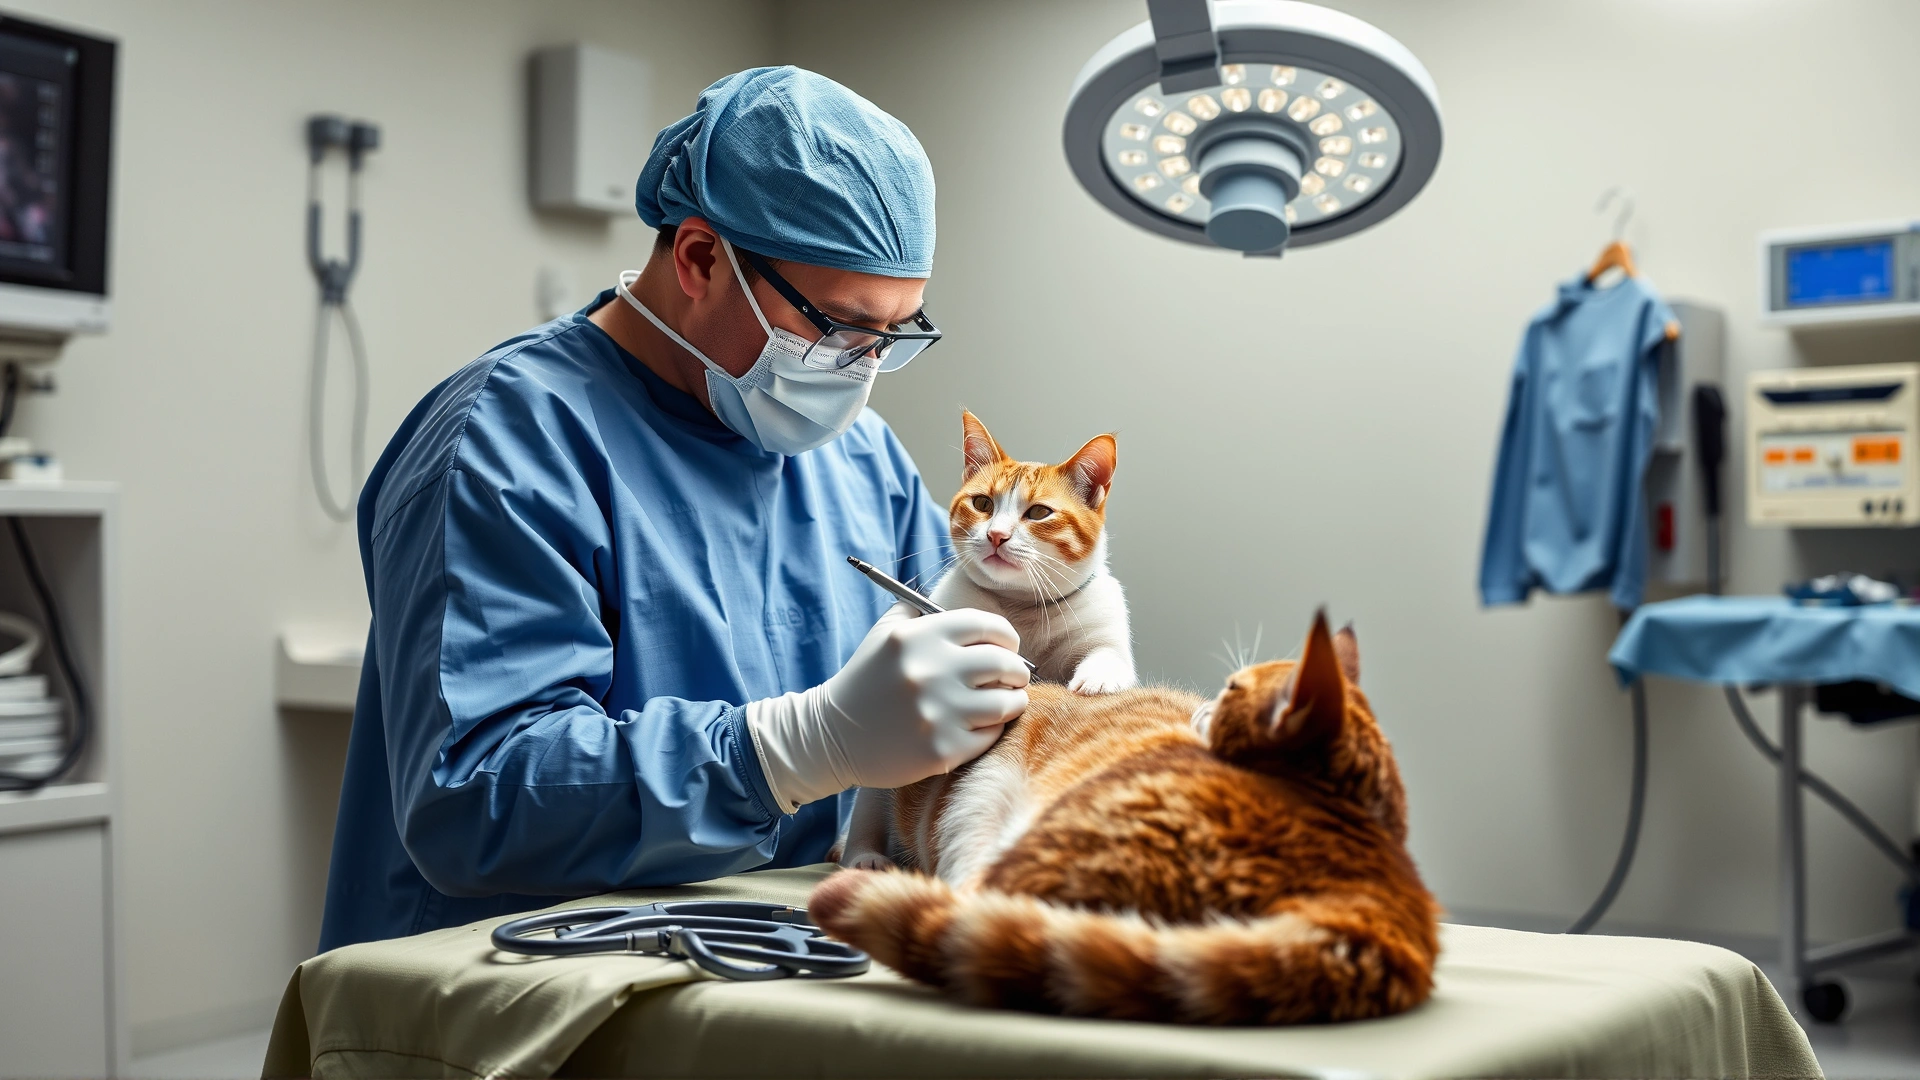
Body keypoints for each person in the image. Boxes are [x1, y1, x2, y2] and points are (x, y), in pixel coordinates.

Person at [317, 67, 1030, 951]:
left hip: (771, 953)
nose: (862, 368)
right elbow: (478, 796)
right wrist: (793, 750)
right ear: (698, 258)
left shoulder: (859, 457)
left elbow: (982, 668)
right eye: (839, 328)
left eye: (894, 334)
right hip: (513, 980)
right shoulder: (507, 435)